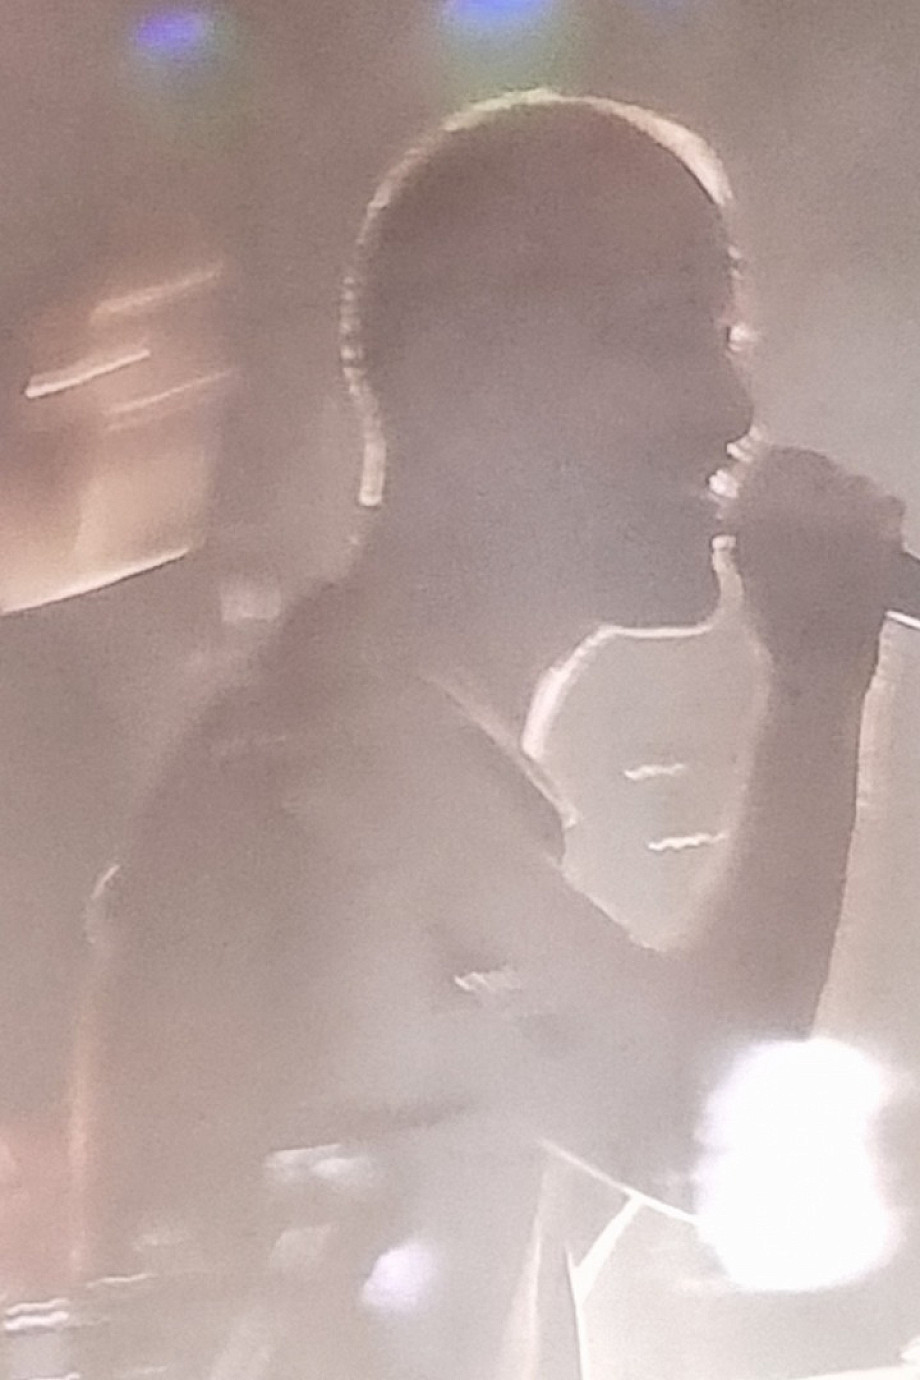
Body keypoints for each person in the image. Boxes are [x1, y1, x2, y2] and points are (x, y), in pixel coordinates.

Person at [79, 91, 903, 1377]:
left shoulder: (378, 746)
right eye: (657, 333)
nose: (728, 406)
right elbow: (704, 1130)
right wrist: (815, 683)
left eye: (725, 331)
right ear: (461, 384)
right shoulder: (339, 760)